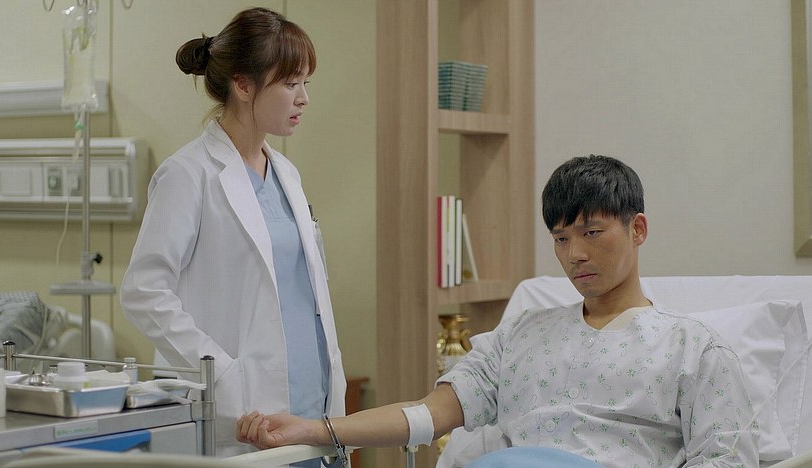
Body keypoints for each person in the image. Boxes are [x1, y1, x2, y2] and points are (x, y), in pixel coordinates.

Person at [235, 155, 759, 467]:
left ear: (637, 229)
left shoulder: (694, 350)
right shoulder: (520, 336)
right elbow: (427, 415)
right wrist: (313, 430)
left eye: (592, 233)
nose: (575, 254)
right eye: (561, 238)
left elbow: (726, 458)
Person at [119, 7, 346, 462]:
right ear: (243, 85)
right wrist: (221, 375)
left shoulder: (286, 175)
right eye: (291, 83)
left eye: (306, 83)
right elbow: (144, 292)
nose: (304, 98)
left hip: (314, 409)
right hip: (244, 413)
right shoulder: (188, 175)